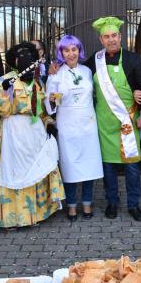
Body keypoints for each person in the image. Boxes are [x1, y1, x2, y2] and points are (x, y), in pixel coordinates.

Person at [83, 16, 141, 221]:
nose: (111, 40)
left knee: (131, 168)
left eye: (114, 35)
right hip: (104, 124)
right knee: (108, 167)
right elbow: (80, 80)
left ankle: (134, 204)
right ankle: (112, 202)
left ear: (120, 37)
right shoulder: (94, 61)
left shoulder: (132, 59)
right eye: (107, 37)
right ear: (101, 40)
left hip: (128, 122)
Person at [0, 42, 65, 228]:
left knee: (35, 169)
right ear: (14, 60)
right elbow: (2, 110)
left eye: (29, 55)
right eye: (20, 55)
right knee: (13, 171)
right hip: (12, 133)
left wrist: (48, 123)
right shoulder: (5, 80)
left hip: (34, 133)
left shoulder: (38, 81)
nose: (25, 59)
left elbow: (42, 110)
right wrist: (7, 91)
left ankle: (35, 215)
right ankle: (13, 218)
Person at [44, 35, 103, 221]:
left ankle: (86, 203)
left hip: (87, 123)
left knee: (89, 165)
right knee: (69, 165)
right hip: (67, 123)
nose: (71, 54)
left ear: (79, 50)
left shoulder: (87, 71)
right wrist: (51, 100)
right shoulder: (55, 73)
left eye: (74, 49)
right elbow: (49, 103)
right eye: (66, 50)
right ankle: (71, 204)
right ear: (61, 53)